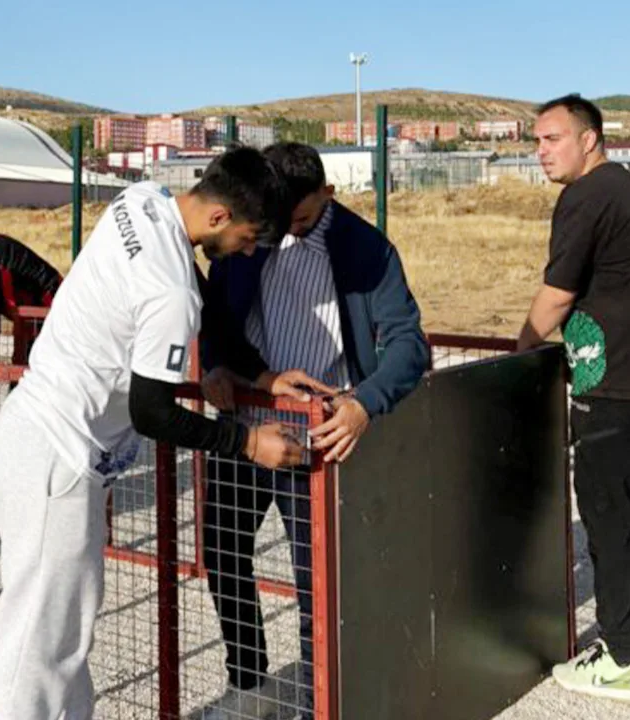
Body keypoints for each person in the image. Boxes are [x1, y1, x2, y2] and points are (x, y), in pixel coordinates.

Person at [0, 147, 331, 720]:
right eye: (247, 238)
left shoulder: (141, 201)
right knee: (40, 642)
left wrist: (262, 375)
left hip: (32, 430)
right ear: (219, 217)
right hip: (58, 459)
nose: (247, 251)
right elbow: (152, 412)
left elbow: (205, 303)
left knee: (60, 633)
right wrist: (249, 443)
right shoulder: (170, 292)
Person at [197, 141, 429, 719]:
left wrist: (364, 404)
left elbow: (409, 343)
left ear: (327, 195)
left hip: (313, 440)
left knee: (316, 582)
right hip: (244, 428)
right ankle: (250, 686)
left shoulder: (364, 249)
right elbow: (213, 315)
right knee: (222, 552)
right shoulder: (256, 228)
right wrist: (212, 366)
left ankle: (314, 704)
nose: (278, 231)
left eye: (296, 218)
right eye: (272, 219)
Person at [517, 94, 630, 705]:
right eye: (536, 141)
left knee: (609, 515)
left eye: (553, 139)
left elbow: (557, 295)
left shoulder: (587, 196)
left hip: (615, 381)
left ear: (590, 139)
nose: (541, 152)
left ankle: (621, 658)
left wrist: (522, 348)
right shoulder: (624, 190)